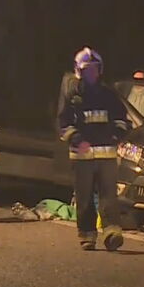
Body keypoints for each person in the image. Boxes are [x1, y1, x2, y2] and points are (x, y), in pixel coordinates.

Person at [58, 46, 129, 251]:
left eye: (95, 69)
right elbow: (63, 123)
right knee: (84, 197)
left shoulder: (108, 94)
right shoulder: (71, 95)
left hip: (106, 154)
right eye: (88, 69)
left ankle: (112, 232)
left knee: (109, 195)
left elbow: (121, 118)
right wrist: (77, 139)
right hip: (82, 157)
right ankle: (87, 235)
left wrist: (117, 134)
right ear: (79, 71)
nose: (92, 73)